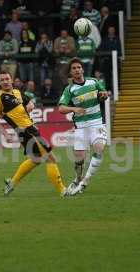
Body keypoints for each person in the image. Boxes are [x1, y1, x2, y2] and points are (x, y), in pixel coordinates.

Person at [0, 70, 75, 197]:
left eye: (7, 79)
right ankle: (63, 191)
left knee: (36, 159)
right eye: (2, 80)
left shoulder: (17, 92)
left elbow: (30, 103)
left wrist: (29, 107)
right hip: (26, 131)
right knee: (51, 159)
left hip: (31, 129)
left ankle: (11, 183)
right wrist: (5, 134)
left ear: (12, 80)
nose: (5, 81)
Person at [58, 57, 109, 194]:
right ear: (71, 72)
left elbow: (104, 93)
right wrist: (74, 109)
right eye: (74, 68)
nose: (77, 70)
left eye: (79, 67)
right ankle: (78, 178)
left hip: (97, 122)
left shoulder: (94, 81)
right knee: (80, 159)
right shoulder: (69, 90)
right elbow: (61, 108)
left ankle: (85, 181)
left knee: (99, 148)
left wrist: (104, 94)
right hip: (81, 126)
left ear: (82, 69)